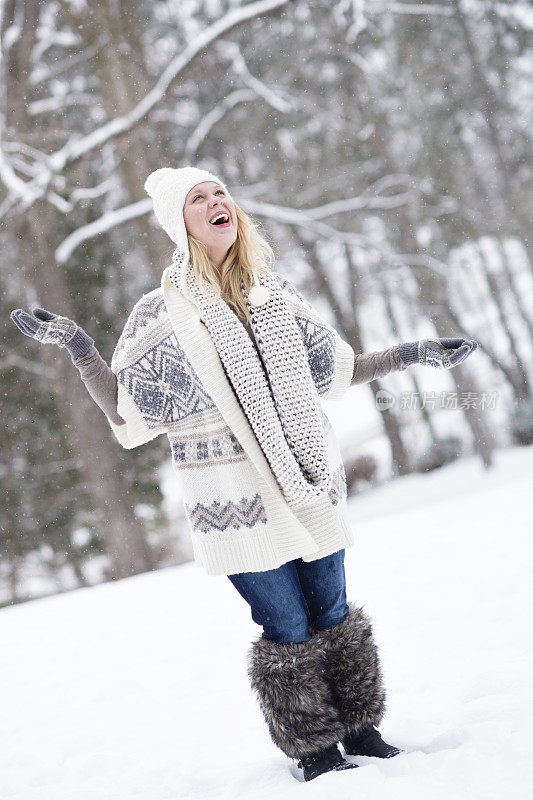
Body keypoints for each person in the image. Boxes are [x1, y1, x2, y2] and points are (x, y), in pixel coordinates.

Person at [11, 166, 478, 781]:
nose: (214, 202)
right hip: (236, 502)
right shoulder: (163, 316)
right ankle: (316, 753)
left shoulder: (273, 291)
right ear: (180, 224)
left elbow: (333, 370)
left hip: (308, 484)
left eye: (219, 192)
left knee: (333, 612)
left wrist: (411, 354)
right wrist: (80, 347)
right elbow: (128, 409)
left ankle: (363, 732)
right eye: (198, 199)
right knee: (284, 624)